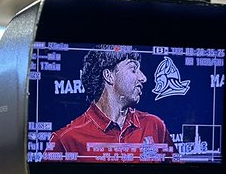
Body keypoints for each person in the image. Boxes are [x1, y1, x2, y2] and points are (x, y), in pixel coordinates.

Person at [44, 48, 175, 161]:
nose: (143, 78)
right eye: (133, 69)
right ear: (109, 75)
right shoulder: (64, 140)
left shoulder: (154, 126)